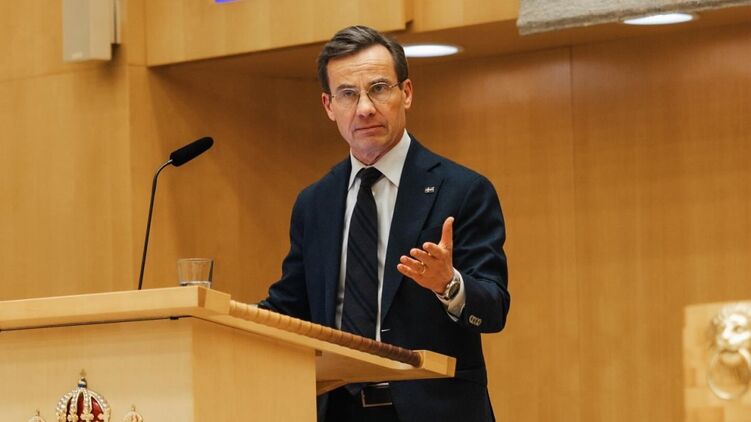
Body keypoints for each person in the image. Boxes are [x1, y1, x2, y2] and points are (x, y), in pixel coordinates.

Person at [260, 25, 510, 422]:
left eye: (378, 88)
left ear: (406, 93)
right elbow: (290, 307)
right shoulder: (314, 203)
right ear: (328, 106)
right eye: (348, 94)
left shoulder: (462, 190)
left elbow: (493, 310)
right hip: (337, 410)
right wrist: (208, 319)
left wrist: (448, 284)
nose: (364, 108)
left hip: (434, 411)